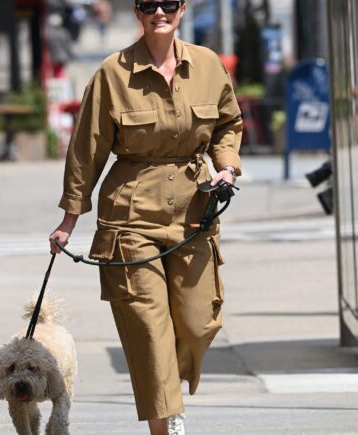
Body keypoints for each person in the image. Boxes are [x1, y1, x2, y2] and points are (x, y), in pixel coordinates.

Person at [49, 1, 242, 434]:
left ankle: (168, 395)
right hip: (130, 216)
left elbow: (230, 123)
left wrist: (226, 165)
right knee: (149, 333)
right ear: (136, 12)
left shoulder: (208, 66)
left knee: (196, 323)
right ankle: (166, 421)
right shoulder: (112, 74)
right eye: (148, 4)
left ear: (183, 9)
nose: (159, 11)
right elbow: (87, 149)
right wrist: (69, 220)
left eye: (168, 3)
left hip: (195, 210)